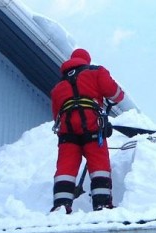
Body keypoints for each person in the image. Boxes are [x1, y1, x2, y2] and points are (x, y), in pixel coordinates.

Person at [49, 48, 126, 214]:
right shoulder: (96, 71)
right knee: (99, 163)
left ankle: (61, 204)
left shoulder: (58, 86)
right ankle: (102, 203)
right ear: (87, 61)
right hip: (91, 124)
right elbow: (115, 93)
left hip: (67, 129)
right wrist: (118, 97)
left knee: (66, 167)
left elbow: (56, 114)